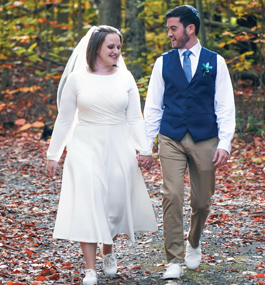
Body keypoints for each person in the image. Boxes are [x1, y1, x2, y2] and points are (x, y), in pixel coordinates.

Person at [46, 25, 157, 285]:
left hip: (118, 144)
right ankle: (89, 269)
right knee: (89, 202)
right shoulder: (77, 79)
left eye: (119, 47)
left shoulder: (125, 78)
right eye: (111, 46)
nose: (116, 51)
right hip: (85, 145)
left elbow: (134, 118)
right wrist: (54, 153)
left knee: (115, 204)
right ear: (96, 47)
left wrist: (145, 149)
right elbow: (64, 119)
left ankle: (108, 250)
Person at [144, 5, 235, 280]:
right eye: (169, 28)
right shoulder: (163, 62)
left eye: (173, 28)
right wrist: (146, 145)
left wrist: (225, 143)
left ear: (190, 29)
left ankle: (193, 240)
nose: (169, 34)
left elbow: (225, 105)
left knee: (202, 201)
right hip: (171, 136)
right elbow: (152, 107)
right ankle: (173, 259)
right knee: (171, 195)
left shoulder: (215, 61)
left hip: (205, 137)